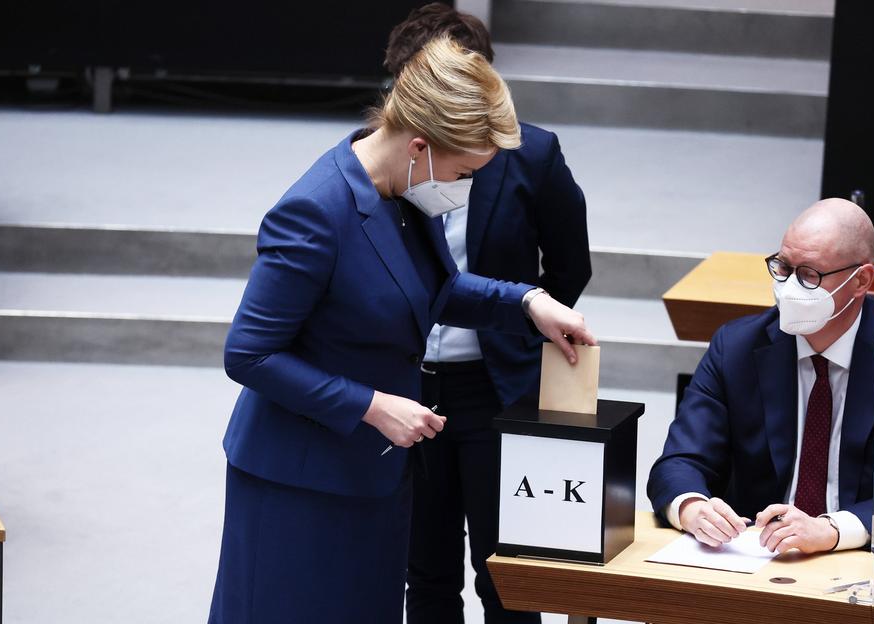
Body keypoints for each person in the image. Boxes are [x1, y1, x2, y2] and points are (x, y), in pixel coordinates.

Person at [208, 36, 595, 624]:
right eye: (466, 172)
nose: (465, 189)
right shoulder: (315, 212)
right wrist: (369, 405)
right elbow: (250, 354)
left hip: (373, 473)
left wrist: (527, 302)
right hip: (301, 479)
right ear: (420, 146)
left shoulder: (403, 191)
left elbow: (434, 289)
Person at [384, 5, 591, 624]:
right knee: (425, 573)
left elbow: (568, 267)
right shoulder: (384, 160)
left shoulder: (532, 154)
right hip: (405, 387)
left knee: (506, 574)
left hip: (496, 387)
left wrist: (522, 329)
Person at [648, 198, 874, 554]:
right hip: (755, 558)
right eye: (783, 267)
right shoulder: (736, 347)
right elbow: (679, 461)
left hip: (863, 563)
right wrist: (692, 507)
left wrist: (831, 530)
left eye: (809, 275)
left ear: (861, 280)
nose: (789, 287)